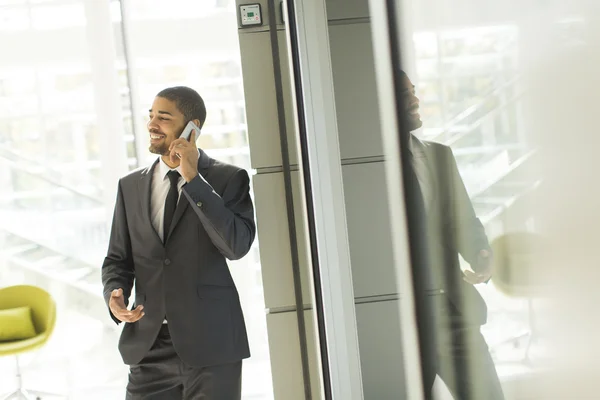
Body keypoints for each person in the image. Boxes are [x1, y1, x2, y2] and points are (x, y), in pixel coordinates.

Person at [101, 86, 255, 400]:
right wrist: (114, 293)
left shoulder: (228, 179)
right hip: (148, 347)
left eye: (164, 117)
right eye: (151, 116)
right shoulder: (130, 187)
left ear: (192, 127)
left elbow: (236, 246)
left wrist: (194, 180)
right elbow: (118, 259)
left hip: (211, 344)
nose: (152, 124)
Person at [398, 71, 505, 400]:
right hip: (400, 316)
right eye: (404, 95)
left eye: (414, 92)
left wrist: (481, 254)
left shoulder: (439, 155)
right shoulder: (370, 166)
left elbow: (463, 221)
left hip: (452, 309)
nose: (415, 100)